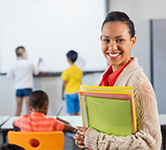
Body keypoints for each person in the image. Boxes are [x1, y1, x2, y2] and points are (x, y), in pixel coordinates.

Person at [73, 11, 162, 150]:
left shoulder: (138, 83)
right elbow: (104, 132)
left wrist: (94, 139)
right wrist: (85, 138)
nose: (112, 47)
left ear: (132, 41)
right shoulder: (100, 80)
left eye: (120, 40)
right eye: (106, 40)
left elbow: (150, 145)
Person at [7, 46, 41, 116]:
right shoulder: (29, 63)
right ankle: (31, 124)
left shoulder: (14, 65)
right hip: (27, 87)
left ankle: (15, 125)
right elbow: (36, 72)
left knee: (18, 108)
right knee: (29, 108)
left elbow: (9, 76)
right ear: (23, 52)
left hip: (18, 88)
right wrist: (38, 63)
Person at [61, 50, 83, 115]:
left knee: (71, 113)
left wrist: (62, 94)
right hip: (78, 93)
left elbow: (64, 84)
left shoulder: (66, 71)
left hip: (70, 94)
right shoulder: (79, 70)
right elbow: (80, 82)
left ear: (68, 59)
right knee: (77, 112)